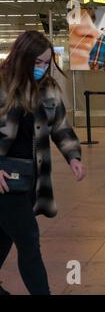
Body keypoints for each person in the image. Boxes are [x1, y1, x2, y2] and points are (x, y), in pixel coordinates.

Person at [0, 31, 86, 295]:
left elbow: (60, 126)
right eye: (37, 62)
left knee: (4, 236)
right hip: (5, 179)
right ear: (21, 58)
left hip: (31, 177)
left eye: (46, 62)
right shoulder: (2, 84)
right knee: (29, 240)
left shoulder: (48, 88)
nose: (42, 68)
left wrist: (73, 156)